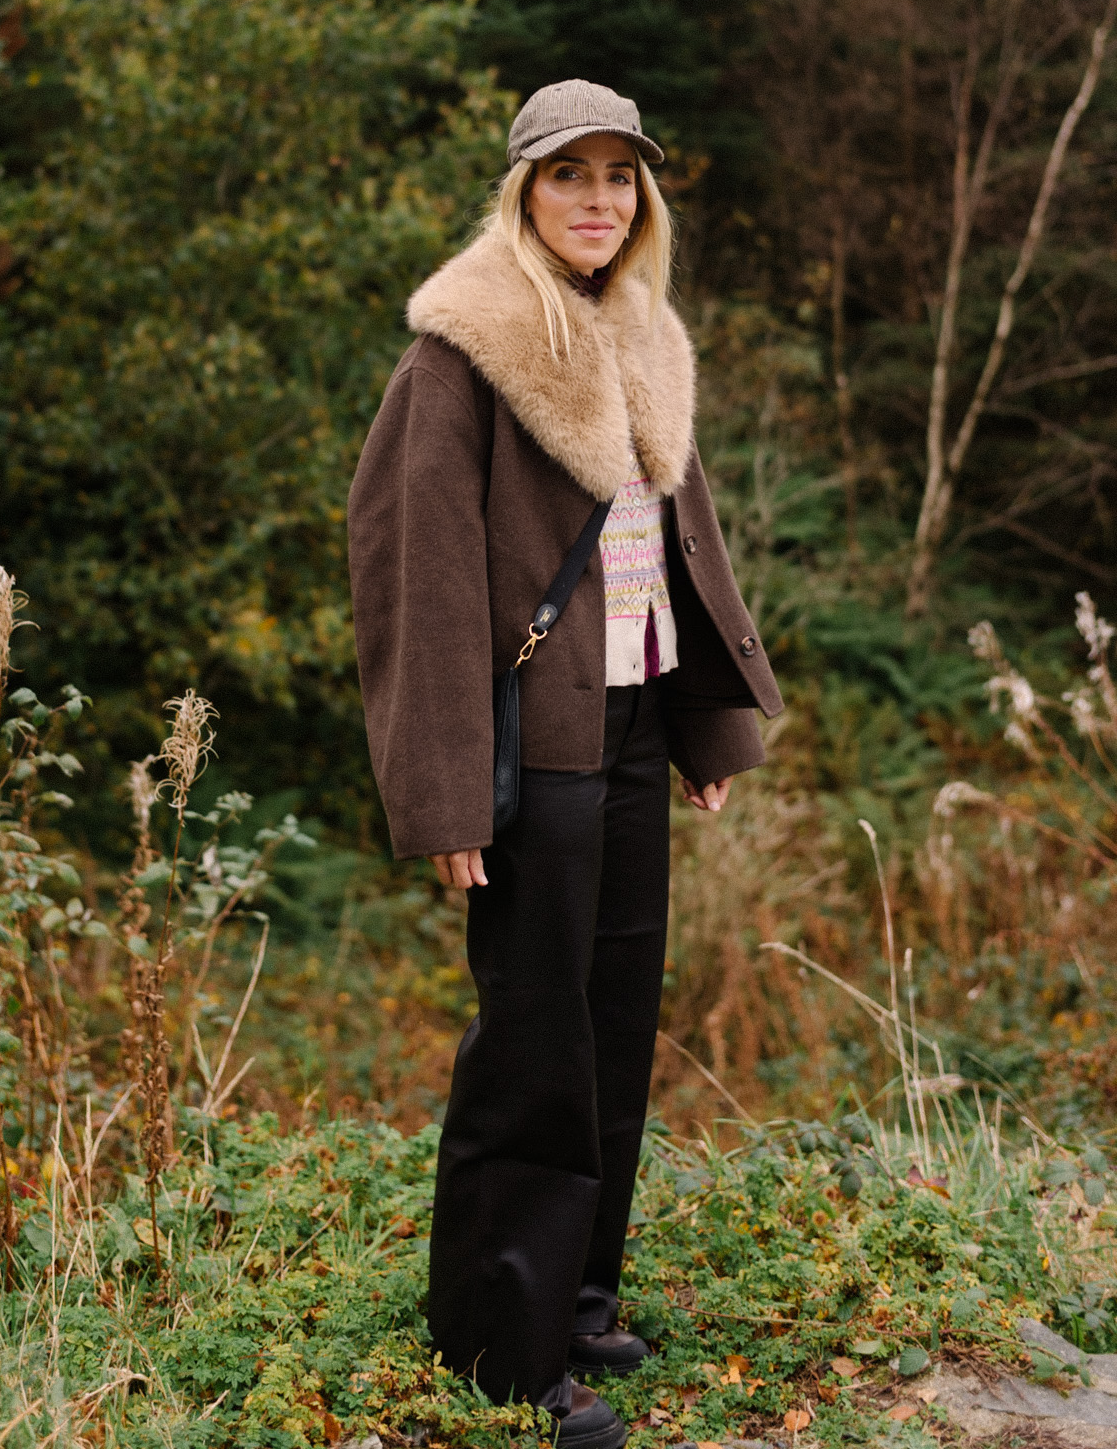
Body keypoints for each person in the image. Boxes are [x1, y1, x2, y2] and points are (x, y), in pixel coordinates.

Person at [347, 80, 781, 1449]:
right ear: (522, 192)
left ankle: (578, 1296)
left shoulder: (645, 336)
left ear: (641, 198)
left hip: (636, 724)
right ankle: (499, 1344)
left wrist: (705, 724)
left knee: (613, 1027)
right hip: (531, 745)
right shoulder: (461, 357)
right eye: (567, 175)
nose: (597, 198)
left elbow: (683, 545)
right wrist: (445, 791)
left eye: (619, 177)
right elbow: (411, 579)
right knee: (533, 1040)